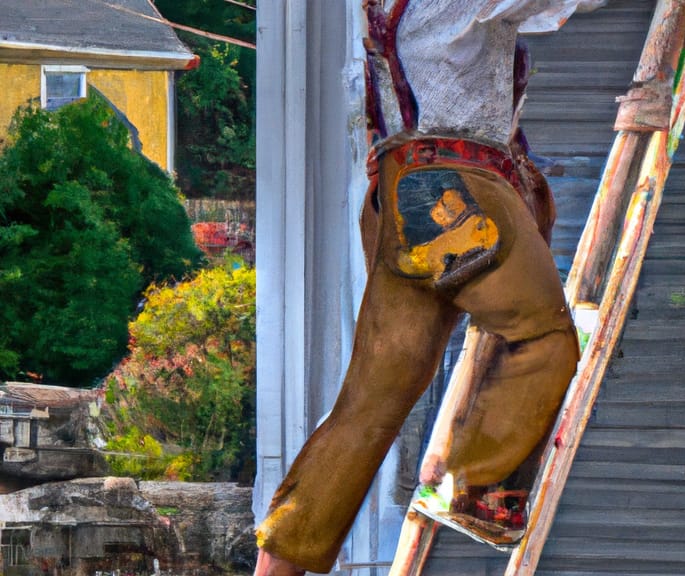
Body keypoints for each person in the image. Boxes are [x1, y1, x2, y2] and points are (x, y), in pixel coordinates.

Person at [254, 2, 604, 574]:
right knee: (543, 336)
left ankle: (281, 560)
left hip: (398, 195)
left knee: (370, 404)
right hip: (457, 188)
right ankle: (474, 482)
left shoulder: (383, 11)